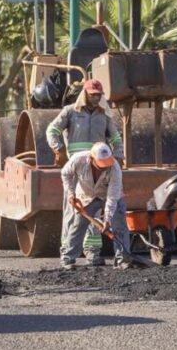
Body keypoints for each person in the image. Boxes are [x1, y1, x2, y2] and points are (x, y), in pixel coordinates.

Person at [47, 79, 123, 263]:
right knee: (72, 209)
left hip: (99, 167)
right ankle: (67, 252)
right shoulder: (71, 112)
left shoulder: (104, 115)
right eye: (93, 94)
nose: (96, 97)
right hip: (78, 167)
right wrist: (58, 149)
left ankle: (92, 252)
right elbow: (52, 130)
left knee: (94, 211)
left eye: (99, 94)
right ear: (85, 94)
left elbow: (115, 137)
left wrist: (119, 155)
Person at [60, 142, 132, 269]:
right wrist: (71, 193)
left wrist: (107, 220)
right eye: (101, 165)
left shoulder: (114, 168)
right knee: (78, 225)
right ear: (91, 159)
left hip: (110, 196)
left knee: (119, 224)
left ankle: (122, 259)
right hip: (87, 196)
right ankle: (68, 259)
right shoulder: (78, 159)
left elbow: (112, 197)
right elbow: (65, 174)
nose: (104, 167)